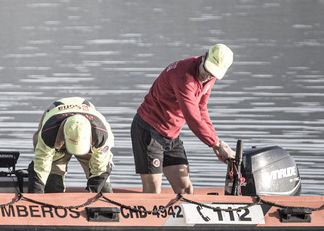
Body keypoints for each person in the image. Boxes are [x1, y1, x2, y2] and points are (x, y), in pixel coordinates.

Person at [131, 44, 236, 195]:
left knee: (186, 189)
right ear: (204, 56)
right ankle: (144, 217)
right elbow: (192, 118)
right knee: (153, 191)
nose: (206, 76)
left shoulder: (210, 76)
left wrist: (216, 141)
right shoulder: (184, 76)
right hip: (149, 130)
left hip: (171, 135)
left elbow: (201, 109)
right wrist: (215, 144)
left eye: (213, 74)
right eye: (207, 70)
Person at [29, 97, 114, 193]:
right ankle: (54, 197)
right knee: (53, 174)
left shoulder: (101, 136)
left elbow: (101, 168)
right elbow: (41, 166)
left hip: (91, 135)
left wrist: (91, 192)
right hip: (56, 123)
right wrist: (35, 196)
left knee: (103, 182)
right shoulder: (48, 133)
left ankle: (105, 203)